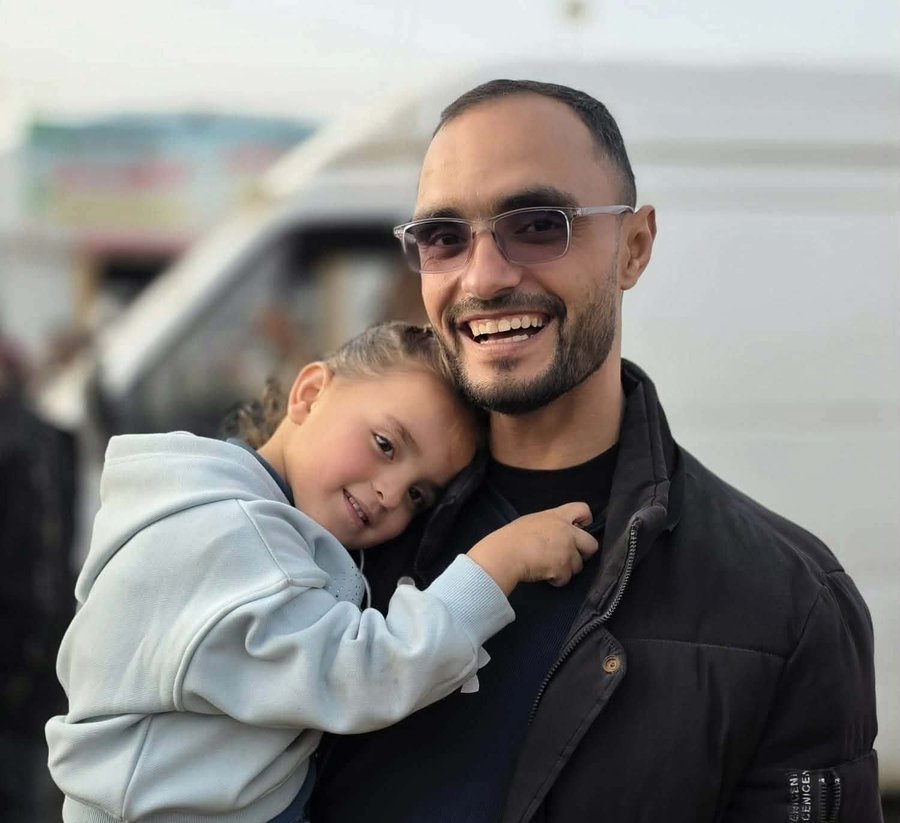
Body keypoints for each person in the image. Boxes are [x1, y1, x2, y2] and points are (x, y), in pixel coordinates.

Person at [310, 81, 882, 822]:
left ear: (633, 249)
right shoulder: (334, 542)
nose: (483, 277)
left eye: (538, 226)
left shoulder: (788, 603)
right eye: (445, 237)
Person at [45, 321, 599, 823]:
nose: (390, 494)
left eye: (418, 495)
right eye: (385, 444)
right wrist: (498, 563)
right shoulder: (228, 538)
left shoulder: (215, 508)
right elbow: (363, 672)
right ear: (310, 394)